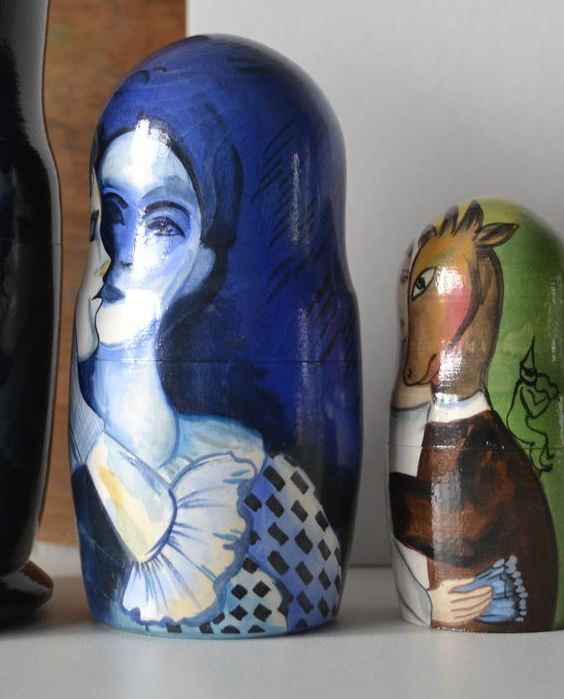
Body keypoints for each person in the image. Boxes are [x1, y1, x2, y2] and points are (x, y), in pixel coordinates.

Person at [70, 46, 352, 635]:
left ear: (204, 263)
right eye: (111, 214)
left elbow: (304, 585)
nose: (122, 252)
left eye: (161, 223)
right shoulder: (87, 451)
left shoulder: (259, 487)